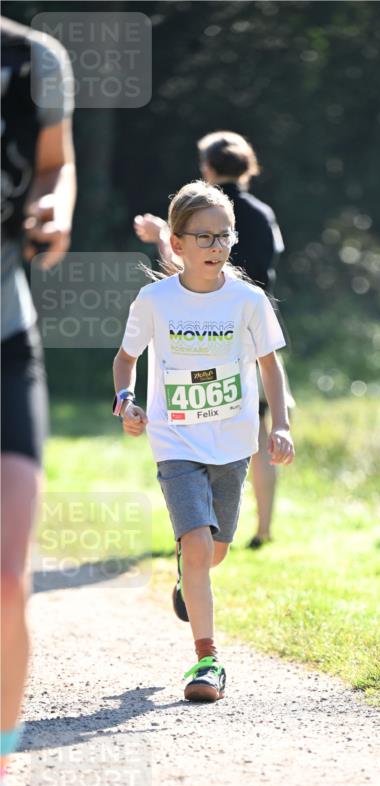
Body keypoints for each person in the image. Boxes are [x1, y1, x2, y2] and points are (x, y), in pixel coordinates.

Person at [113, 180, 294, 703]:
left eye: (224, 236)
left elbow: (270, 366)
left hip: (232, 442)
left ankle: (186, 575)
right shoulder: (155, 300)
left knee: (213, 553)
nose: (217, 246)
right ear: (177, 243)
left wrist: (280, 425)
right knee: (195, 545)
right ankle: (207, 659)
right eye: (204, 237)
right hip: (175, 440)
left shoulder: (248, 300)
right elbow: (125, 359)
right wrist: (126, 401)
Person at [1, 16, 76, 786]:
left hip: (5, 337)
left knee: (6, 581)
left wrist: (54, 204)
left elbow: (54, 163)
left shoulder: (31, 61)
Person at [134, 131, 290, 551]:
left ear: (206, 168)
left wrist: (163, 236)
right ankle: (261, 528)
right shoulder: (262, 214)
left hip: (215, 333)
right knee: (258, 430)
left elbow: (181, 275)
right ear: (248, 167)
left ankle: (200, 525)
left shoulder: (200, 215)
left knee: (204, 427)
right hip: (256, 331)